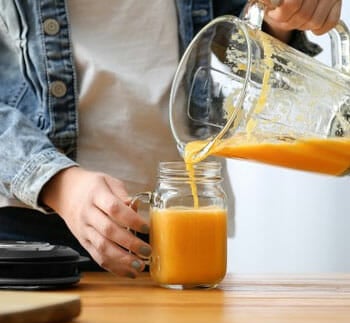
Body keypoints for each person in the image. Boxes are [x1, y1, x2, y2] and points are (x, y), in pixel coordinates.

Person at [0, 0, 342, 278]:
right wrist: (57, 183)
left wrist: (284, 18)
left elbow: (239, 35)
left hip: (179, 222)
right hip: (30, 225)